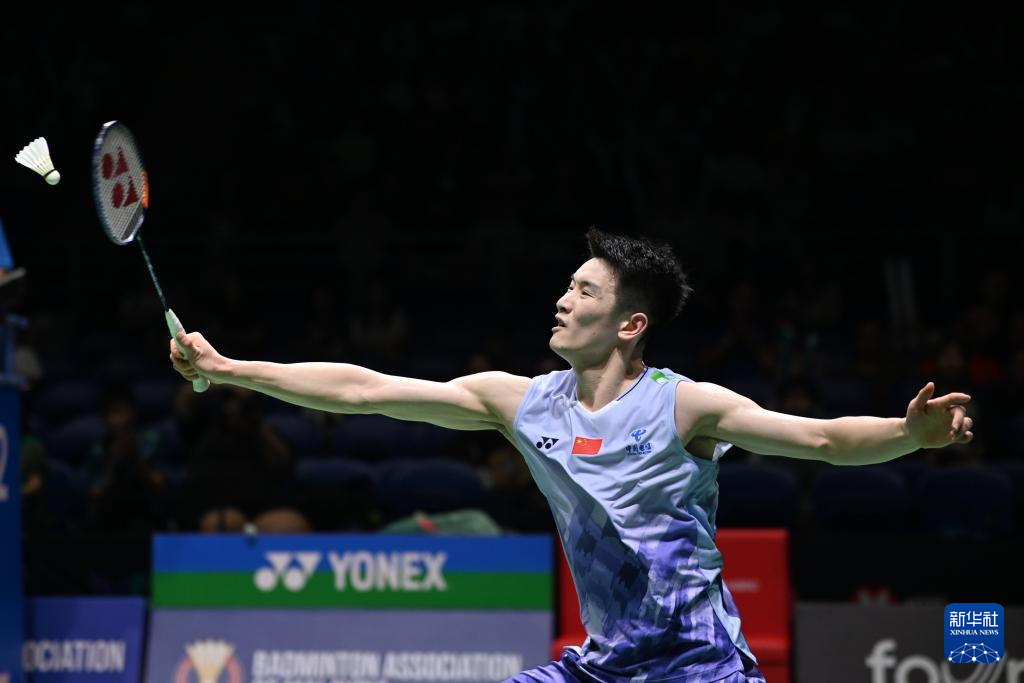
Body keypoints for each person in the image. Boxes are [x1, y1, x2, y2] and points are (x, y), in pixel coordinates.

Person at [169, 228, 973, 683]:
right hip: (603, 667)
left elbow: (823, 439)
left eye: (585, 291)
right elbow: (365, 389)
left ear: (630, 324)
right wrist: (230, 368)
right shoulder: (523, 402)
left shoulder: (685, 406)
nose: (562, 299)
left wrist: (909, 434)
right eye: (567, 284)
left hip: (699, 666)